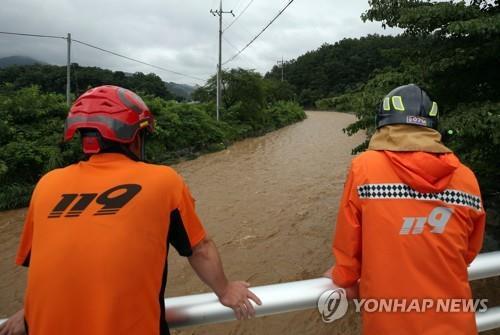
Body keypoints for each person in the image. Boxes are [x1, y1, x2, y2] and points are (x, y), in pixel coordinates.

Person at [0, 85, 261, 335]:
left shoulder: (47, 185)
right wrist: (226, 290)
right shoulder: (163, 181)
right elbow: (200, 249)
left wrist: (30, 312)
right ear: (135, 136)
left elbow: (59, 263)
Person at [324, 84, 485, 334]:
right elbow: (469, 251)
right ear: (432, 126)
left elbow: (348, 243)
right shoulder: (465, 177)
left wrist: (344, 277)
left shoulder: (364, 168)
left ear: (384, 123)